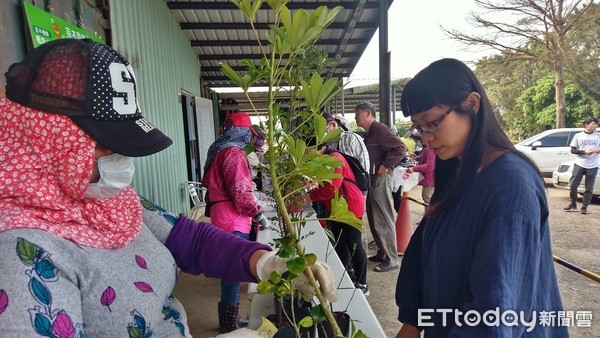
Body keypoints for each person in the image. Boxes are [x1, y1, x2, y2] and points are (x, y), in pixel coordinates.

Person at [0, 38, 338, 337]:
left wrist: (265, 262)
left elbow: (189, 240)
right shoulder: (20, 255)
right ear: (49, 140)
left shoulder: (109, 200)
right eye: (109, 143)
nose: (124, 159)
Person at [395, 58, 568, 337]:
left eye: (432, 123)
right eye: (419, 128)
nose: (425, 138)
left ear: (472, 105)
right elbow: (422, 251)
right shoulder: (456, 169)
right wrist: (413, 321)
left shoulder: (510, 185)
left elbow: (495, 314)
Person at [202, 111, 272, 332]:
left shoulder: (220, 149)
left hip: (222, 212)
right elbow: (241, 192)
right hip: (232, 217)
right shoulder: (233, 153)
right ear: (243, 132)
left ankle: (229, 318)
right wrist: (258, 214)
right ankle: (228, 323)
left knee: (230, 268)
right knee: (233, 269)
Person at [307, 140, 369, 296]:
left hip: (349, 206)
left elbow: (329, 189)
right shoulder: (320, 160)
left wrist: (309, 196)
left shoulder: (335, 158)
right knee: (340, 244)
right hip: (335, 207)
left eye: (307, 150)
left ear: (317, 147)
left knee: (354, 244)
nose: (305, 154)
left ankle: (362, 283)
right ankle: (346, 275)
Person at [354, 102, 407, 273]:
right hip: (372, 179)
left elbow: (401, 148)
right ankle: (382, 252)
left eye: (358, 113)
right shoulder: (370, 133)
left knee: (383, 217)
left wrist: (385, 165)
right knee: (374, 217)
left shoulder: (380, 130)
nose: (355, 117)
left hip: (381, 178)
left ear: (368, 113)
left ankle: (391, 259)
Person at [563, 117, 600, 214]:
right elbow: (573, 150)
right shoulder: (578, 136)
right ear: (586, 125)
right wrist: (584, 152)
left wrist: (598, 150)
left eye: (596, 124)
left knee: (589, 188)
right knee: (573, 185)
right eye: (593, 124)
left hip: (593, 165)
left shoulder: (598, 136)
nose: (596, 125)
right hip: (580, 163)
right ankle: (573, 204)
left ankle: (584, 207)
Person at [406, 130, 435, 211]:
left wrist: (414, 169)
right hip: (430, 178)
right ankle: (426, 219)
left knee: (427, 199)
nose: (415, 142)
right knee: (426, 198)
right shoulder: (426, 148)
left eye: (415, 140)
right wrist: (417, 157)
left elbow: (429, 165)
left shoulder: (428, 149)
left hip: (429, 179)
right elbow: (426, 158)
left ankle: (427, 220)